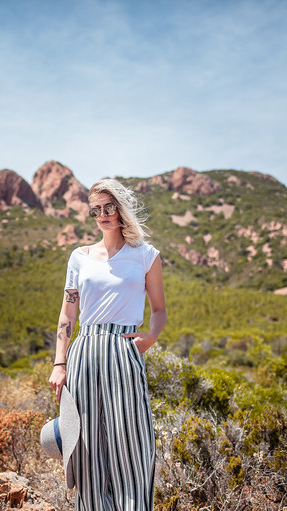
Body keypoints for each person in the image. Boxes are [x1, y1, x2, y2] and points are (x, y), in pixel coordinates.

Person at [48, 178, 167, 511]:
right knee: (85, 444)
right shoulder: (79, 257)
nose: (102, 215)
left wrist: (151, 337)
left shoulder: (145, 255)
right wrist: (60, 362)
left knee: (131, 438)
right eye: (95, 210)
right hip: (85, 350)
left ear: (121, 208)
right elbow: (68, 312)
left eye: (109, 207)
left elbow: (159, 309)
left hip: (123, 348)